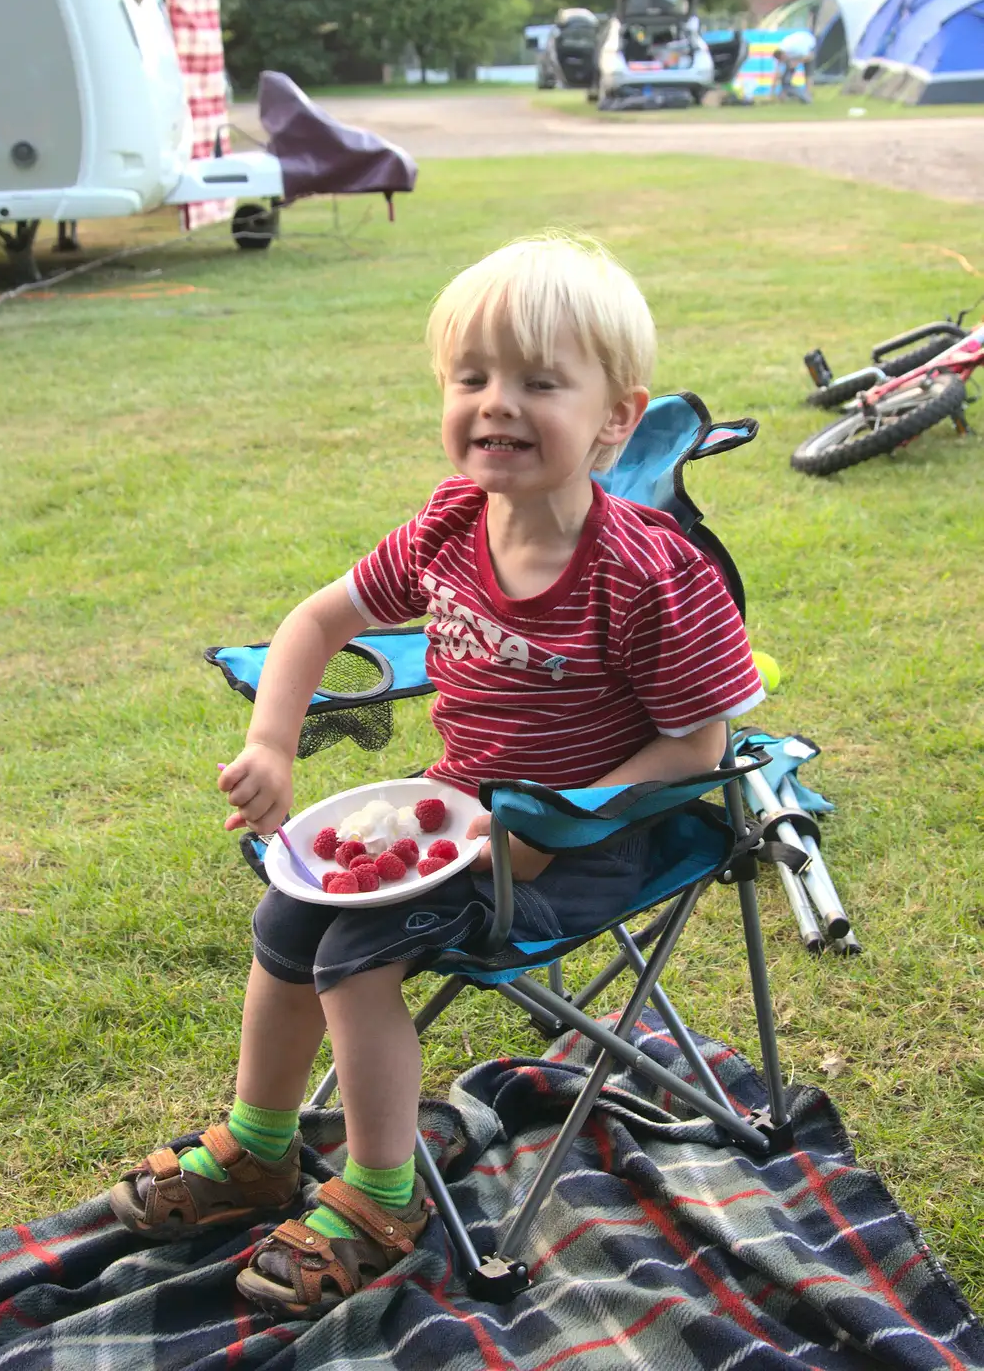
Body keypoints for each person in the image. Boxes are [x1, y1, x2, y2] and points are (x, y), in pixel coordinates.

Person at [109, 234, 764, 1319]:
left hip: (595, 837)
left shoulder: (650, 573)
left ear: (614, 417)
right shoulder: (451, 526)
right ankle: (261, 1150)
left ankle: (378, 1194)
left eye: (538, 382)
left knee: (358, 955)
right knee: (288, 915)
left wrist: (554, 822)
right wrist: (273, 742)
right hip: (459, 809)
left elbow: (699, 747)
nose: (496, 403)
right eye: (472, 378)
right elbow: (321, 618)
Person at [772, 28, 817, 102]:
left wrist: (797, 62)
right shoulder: (778, 54)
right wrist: (771, 93)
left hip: (809, 43)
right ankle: (784, 94)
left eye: (783, 60)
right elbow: (776, 74)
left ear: (783, 55)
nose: (782, 62)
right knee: (787, 73)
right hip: (794, 51)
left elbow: (810, 56)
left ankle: (807, 94)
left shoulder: (797, 48)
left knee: (808, 71)